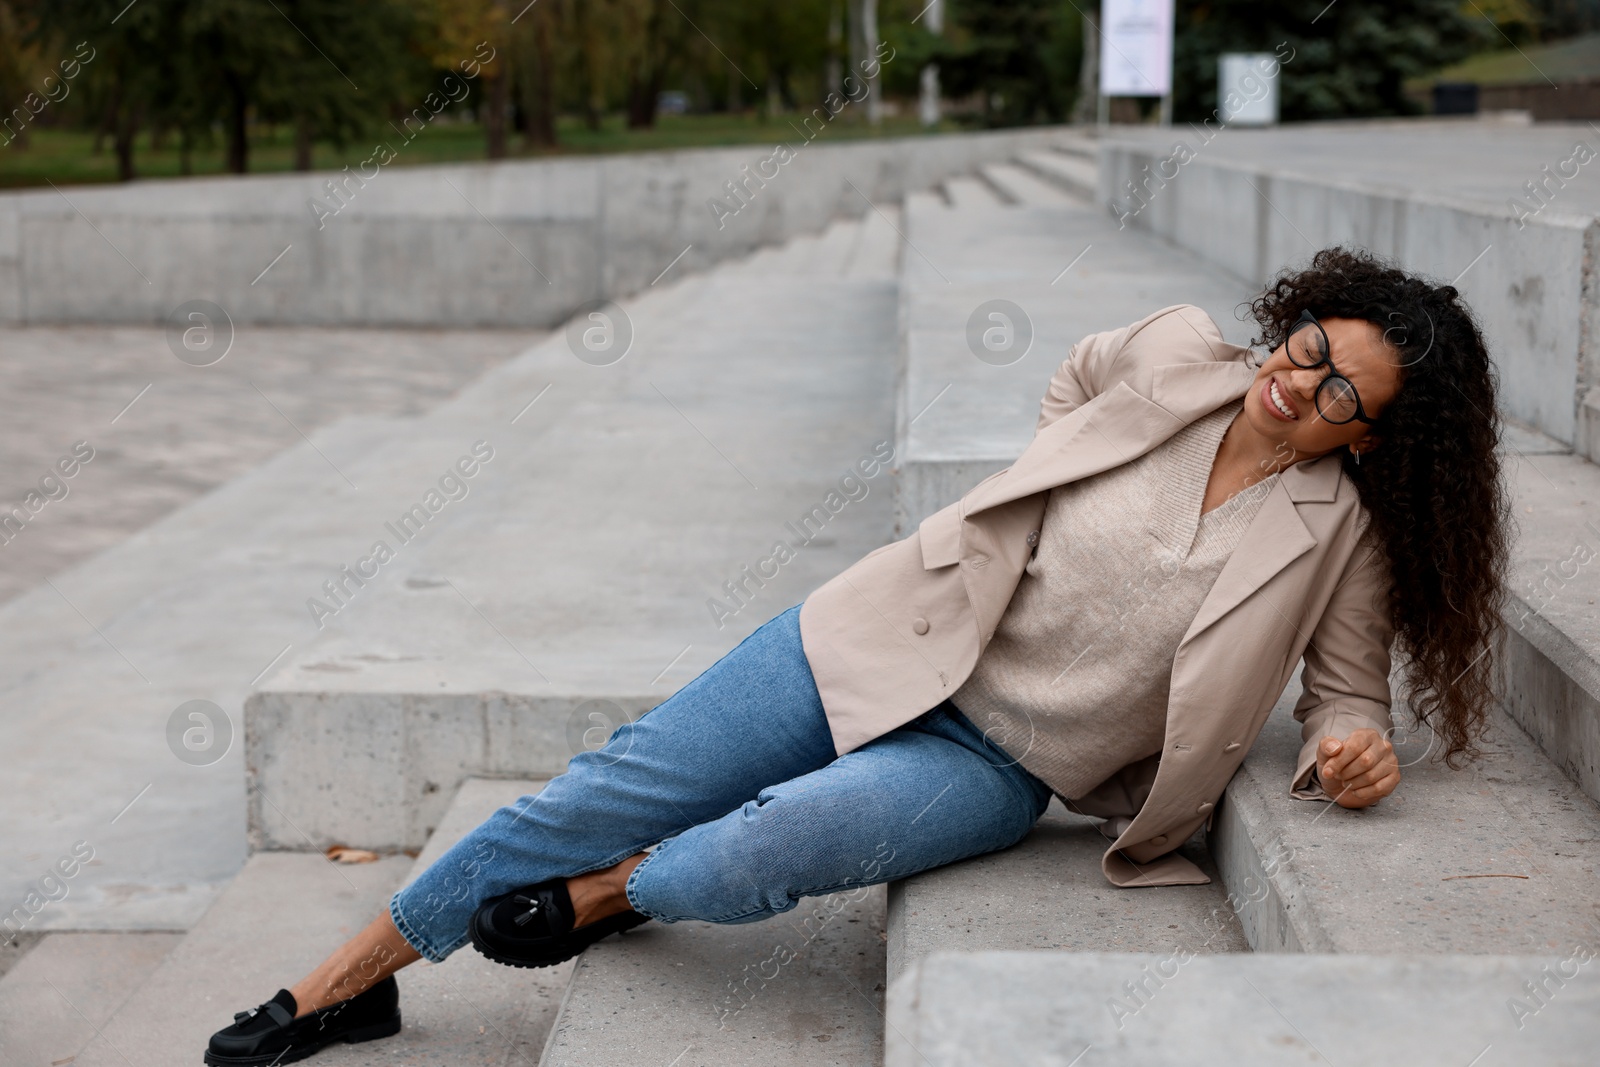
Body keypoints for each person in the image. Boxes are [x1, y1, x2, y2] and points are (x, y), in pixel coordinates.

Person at [203, 247, 1511, 1065]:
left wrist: (1357, 741)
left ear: (1373, 441)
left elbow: (1344, 690)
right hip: (882, 636)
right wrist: (1033, 483)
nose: (1300, 385)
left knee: (762, 850)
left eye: (1344, 394)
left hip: (1004, 762)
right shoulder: (1178, 353)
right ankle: (343, 989)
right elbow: (1076, 371)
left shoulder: (1339, 537)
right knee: (604, 787)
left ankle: (608, 901)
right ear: (1292, 323)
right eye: (1308, 349)